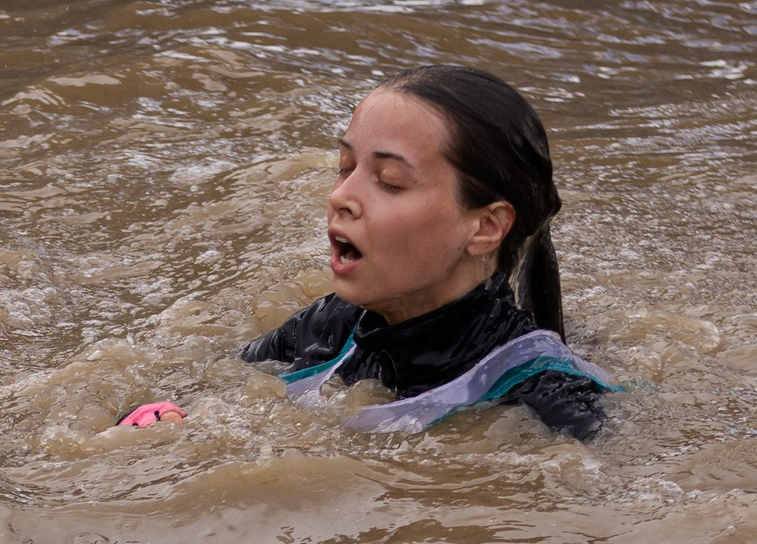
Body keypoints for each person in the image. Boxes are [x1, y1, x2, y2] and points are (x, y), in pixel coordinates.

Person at [239, 65, 611, 440]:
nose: (340, 197)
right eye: (345, 167)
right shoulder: (329, 327)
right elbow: (220, 379)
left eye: (389, 182)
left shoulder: (552, 398)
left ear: (485, 228)